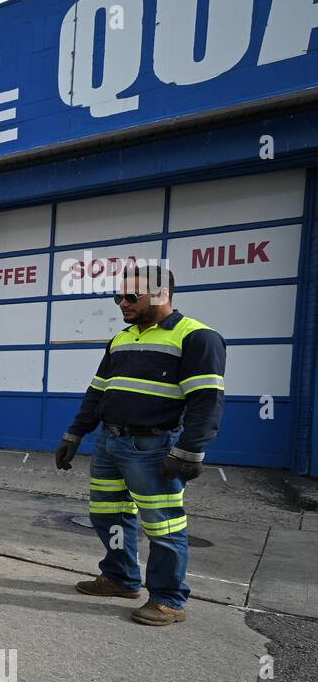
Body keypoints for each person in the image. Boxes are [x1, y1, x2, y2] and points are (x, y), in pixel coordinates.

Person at [55, 263, 226, 626]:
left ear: (161, 294)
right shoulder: (121, 338)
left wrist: (190, 451)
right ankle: (120, 578)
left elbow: (206, 400)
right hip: (110, 444)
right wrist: (75, 434)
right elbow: (97, 392)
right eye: (118, 296)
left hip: (152, 448)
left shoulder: (196, 337)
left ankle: (168, 600)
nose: (122, 303)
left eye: (131, 296)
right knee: (108, 514)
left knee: (163, 526)